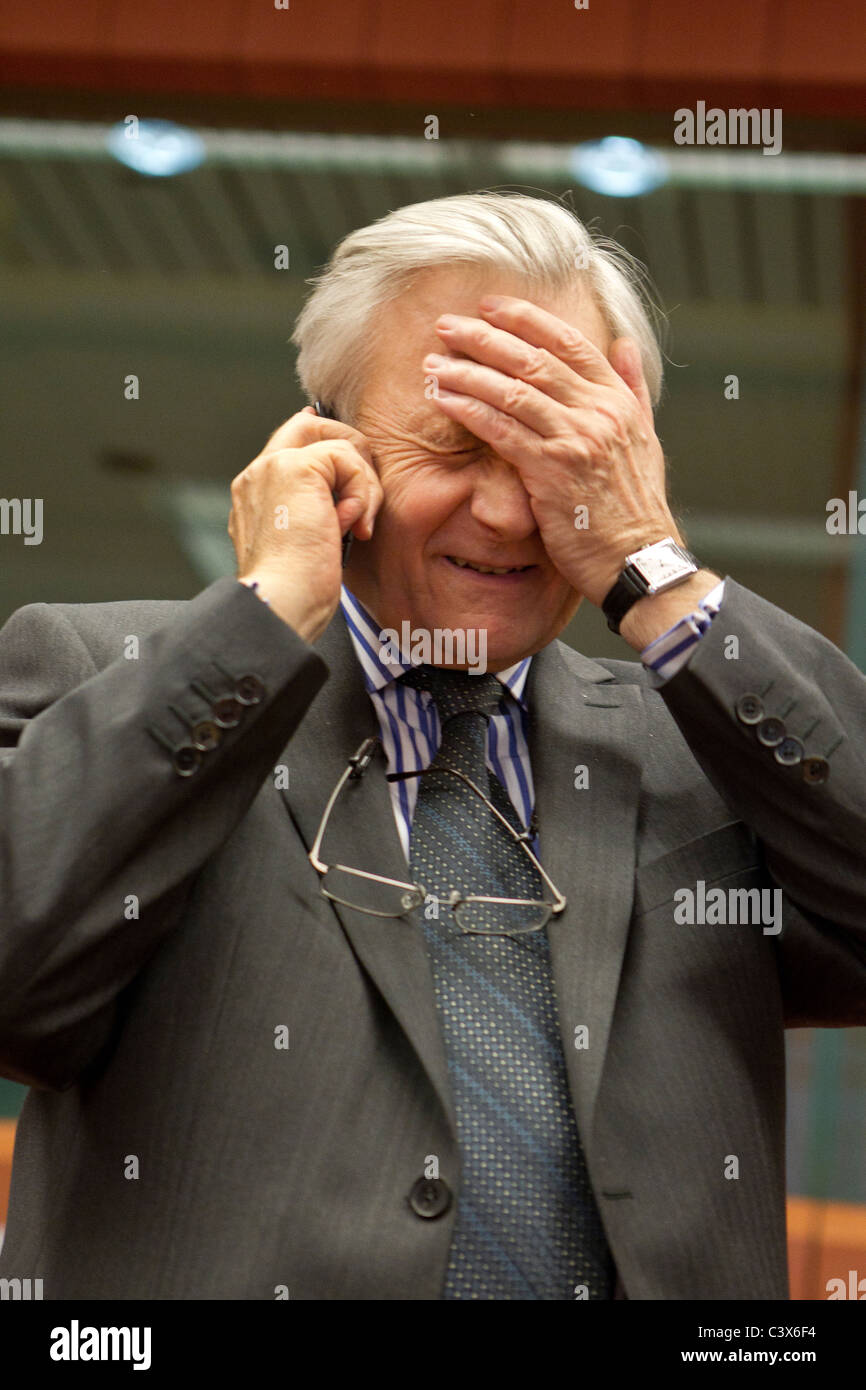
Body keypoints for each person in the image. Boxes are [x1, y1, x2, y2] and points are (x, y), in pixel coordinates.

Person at [0, 192, 863, 1300]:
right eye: (454, 443)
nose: (508, 511)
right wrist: (260, 623)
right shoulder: (102, 675)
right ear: (322, 441)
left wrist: (651, 568)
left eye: (559, 451)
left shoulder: (700, 740)